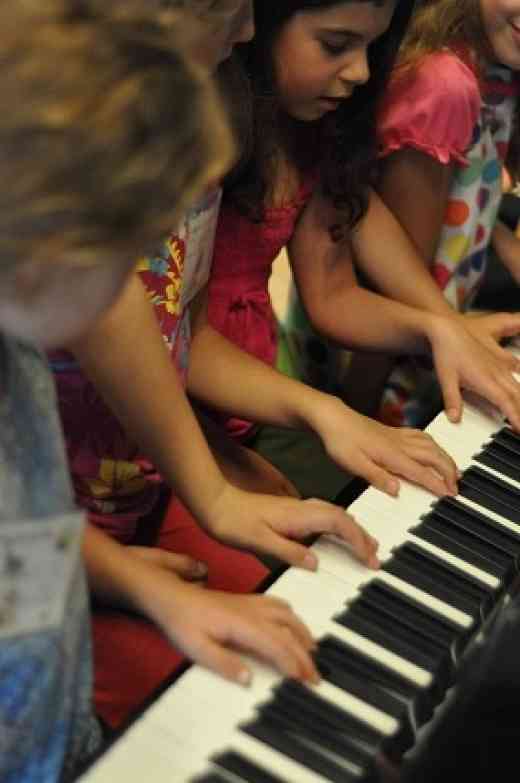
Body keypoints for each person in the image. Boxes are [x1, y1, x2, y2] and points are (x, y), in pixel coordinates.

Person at [49, 0, 457, 730]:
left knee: (320, 644)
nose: (246, 32)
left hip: (129, 508)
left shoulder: (200, 116)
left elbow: (173, 328)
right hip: (56, 562)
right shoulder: (66, 180)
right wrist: (109, 571)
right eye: (235, 12)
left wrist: (297, 426)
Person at [0, 0, 235, 779]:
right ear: (49, 244)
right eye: (127, 252)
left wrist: (131, 579)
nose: (135, 284)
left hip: (60, 735)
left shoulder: (21, 346)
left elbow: (20, 538)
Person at [286, 0, 520, 430]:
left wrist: (503, 244)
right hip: (383, 368)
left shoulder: (498, 63)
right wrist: (363, 413)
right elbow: (390, 278)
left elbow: (465, 194)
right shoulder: (443, 85)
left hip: (432, 338)